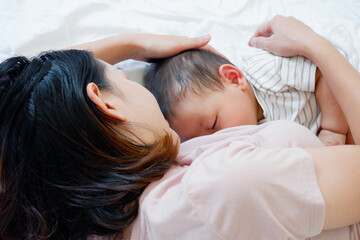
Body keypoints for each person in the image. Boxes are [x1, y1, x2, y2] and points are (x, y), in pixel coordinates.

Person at [0, 16, 360, 240]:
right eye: (124, 76)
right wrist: (320, 49)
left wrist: (135, 44)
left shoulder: (60, 215)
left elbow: (21, 114)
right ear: (106, 104)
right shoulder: (221, 189)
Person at [144, 45, 349, 145]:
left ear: (234, 79)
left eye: (214, 124)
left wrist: (333, 130)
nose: (222, 140)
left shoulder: (267, 72)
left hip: (343, 104)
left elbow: (324, 72)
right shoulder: (250, 142)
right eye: (209, 142)